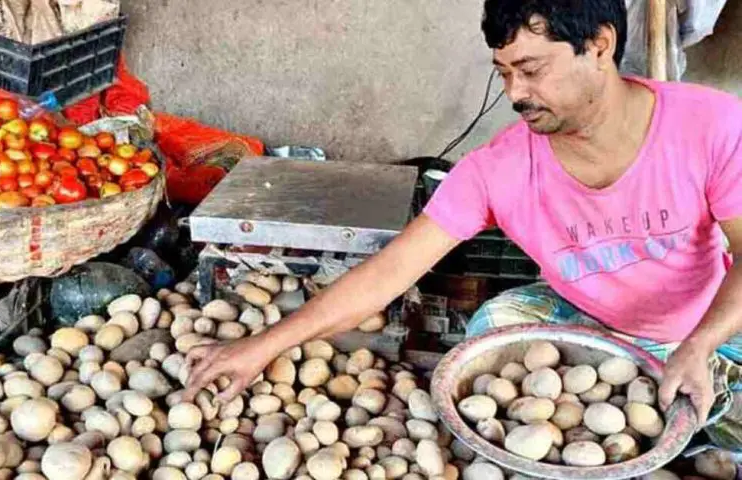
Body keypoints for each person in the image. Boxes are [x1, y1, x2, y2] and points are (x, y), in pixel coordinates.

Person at [184, 0, 742, 450]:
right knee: (494, 327)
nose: (515, 94)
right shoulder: (497, 169)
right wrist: (262, 346)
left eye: (531, 70)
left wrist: (699, 344)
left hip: (714, 325)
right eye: (503, 73)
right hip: (591, 325)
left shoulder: (709, 126)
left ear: (599, 46)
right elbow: (389, 273)